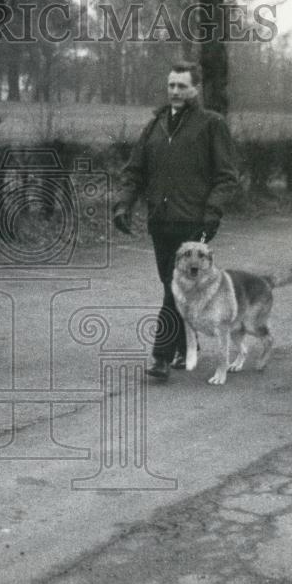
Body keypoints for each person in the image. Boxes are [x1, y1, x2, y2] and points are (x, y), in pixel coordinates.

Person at [113, 61, 240, 380]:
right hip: (160, 221)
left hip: (191, 223)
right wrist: (123, 204)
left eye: (182, 86)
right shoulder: (155, 125)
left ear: (195, 89)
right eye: (171, 85)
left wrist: (211, 212)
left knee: (173, 289)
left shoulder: (211, 124)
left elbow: (226, 176)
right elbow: (134, 170)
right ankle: (186, 345)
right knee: (171, 286)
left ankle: (160, 356)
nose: (175, 92)